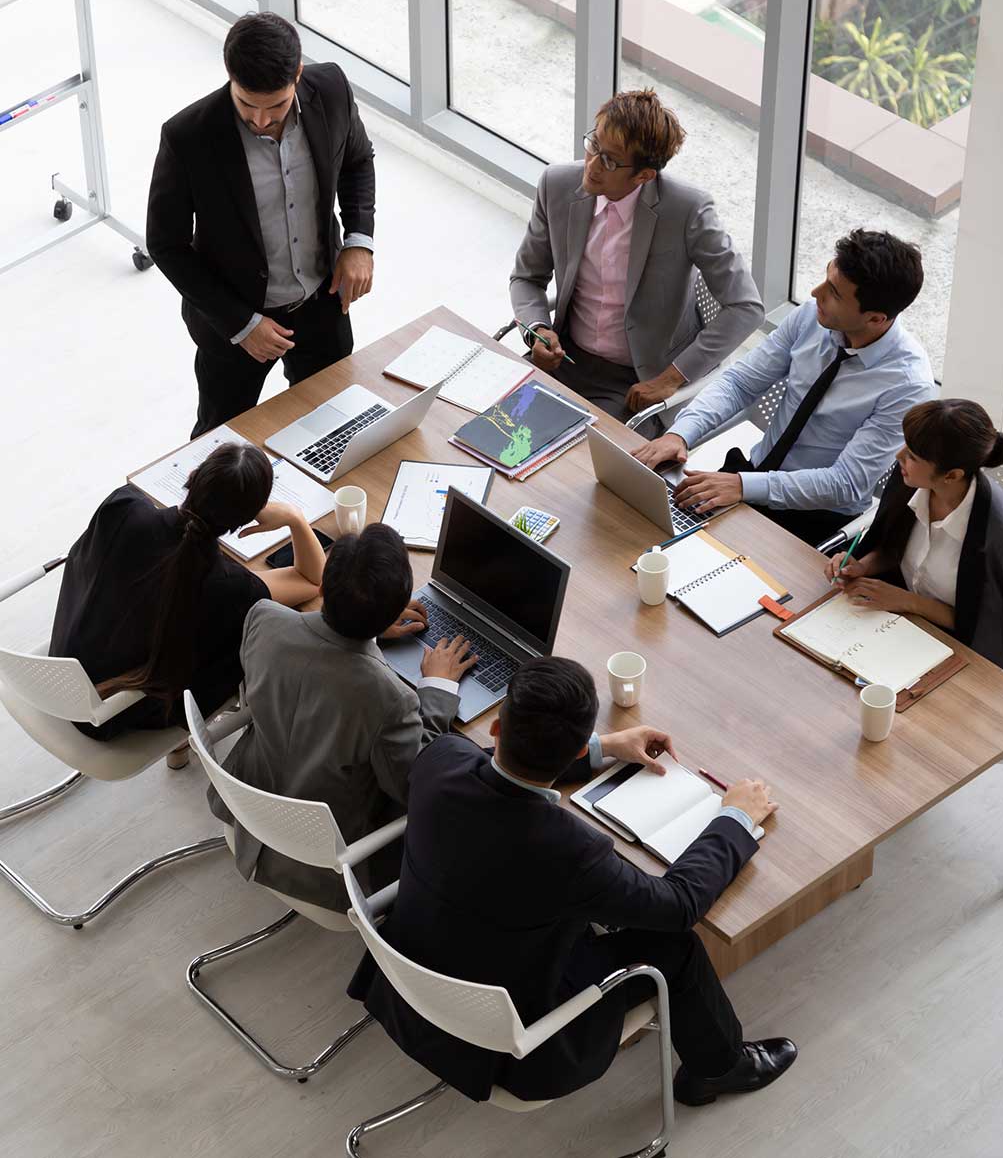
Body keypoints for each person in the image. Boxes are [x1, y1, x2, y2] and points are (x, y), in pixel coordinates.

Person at [348, 656, 796, 1107]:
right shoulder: (571, 851)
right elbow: (679, 905)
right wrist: (736, 818)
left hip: (408, 987)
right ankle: (720, 1068)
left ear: (498, 728)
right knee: (674, 947)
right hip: (516, 1049)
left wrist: (606, 747)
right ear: (578, 748)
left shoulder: (440, 760)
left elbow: (486, 765)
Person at [207, 523, 478, 911]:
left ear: (321, 587)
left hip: (248, 805)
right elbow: (414, 785)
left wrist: (365, 627)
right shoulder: (390, 699)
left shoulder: (262, 619)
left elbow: (309, 671)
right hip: (324, 865)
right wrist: (436, 688)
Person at [147, 12, 376, 438]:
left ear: (299, 75)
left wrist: (359, 241)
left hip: (322, 303)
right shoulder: (188, 136)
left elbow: (357, 160)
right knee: (219, 446)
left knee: (332, 428)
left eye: (276, 106)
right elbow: (165, 243)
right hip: (234, 323)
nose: (260, 120)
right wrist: (241, 324)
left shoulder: (331, 89)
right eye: (247, 104)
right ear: (229, 76)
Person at [634, 228, 936, 547]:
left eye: (834, 292)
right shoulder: (811, 317)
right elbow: (740, 383)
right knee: (644, 536)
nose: (815, 293)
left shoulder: (909, 387)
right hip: (749, 477)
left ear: (876, 319)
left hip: (813, 517)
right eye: (825, 278)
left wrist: (744, 487)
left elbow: (846, 483)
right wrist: (681, 433)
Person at [509, 89, 764, 421]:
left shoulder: (688, 211)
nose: (592, 164)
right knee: (486, 428)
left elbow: (746, 307)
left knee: (581, 466)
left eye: (610, 160)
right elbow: (527, 278)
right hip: (562, 359)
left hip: (634, 383)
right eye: (593, 144)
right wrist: (537, 329)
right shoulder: (555, 184)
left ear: (644, 176)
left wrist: (672, 378)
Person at [49, 443, 325, 743]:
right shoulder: (232, 588)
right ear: (246, 519)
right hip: (109, 716)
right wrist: (295, 518)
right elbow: (312, 579)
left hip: (58, 674)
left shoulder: (123, 508)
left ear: (192, 476)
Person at [828, 398, 1003, 691]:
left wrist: (908, 601)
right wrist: (861, 565)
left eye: (912, 455)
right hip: (899, 627)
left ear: (952, 475)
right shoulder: (911, 479)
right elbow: (892, 548)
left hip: (962, 654)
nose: (898, 457)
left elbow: (994, 628)